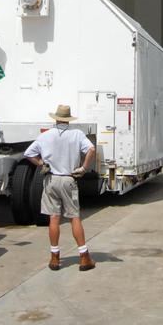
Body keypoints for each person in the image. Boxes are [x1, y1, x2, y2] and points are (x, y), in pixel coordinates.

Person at [24, 104, 97, 271]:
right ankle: (84, 257)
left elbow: (28, 153)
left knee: (54, 218)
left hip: (51, 180)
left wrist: (41, 163)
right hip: (68, 179)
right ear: (69, 120)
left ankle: (54, 257)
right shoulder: (77, 134)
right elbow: (91, 149)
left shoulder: (46, 135)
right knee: (74, 218)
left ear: (56, 118)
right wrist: (84, 168)